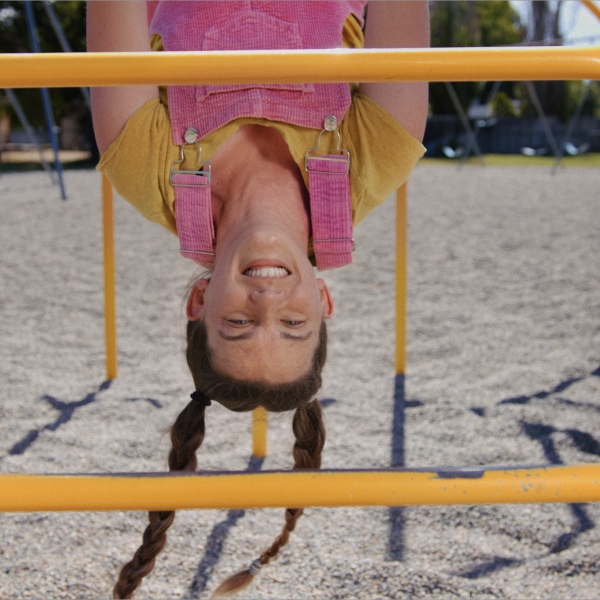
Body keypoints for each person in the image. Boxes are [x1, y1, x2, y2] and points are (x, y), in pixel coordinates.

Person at [88, 2, 427, 597]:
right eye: (293, 322)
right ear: (323, 299)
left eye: (240, 321)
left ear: (199, 301)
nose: (268, 297)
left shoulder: (146, 168)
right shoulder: (379, 157)